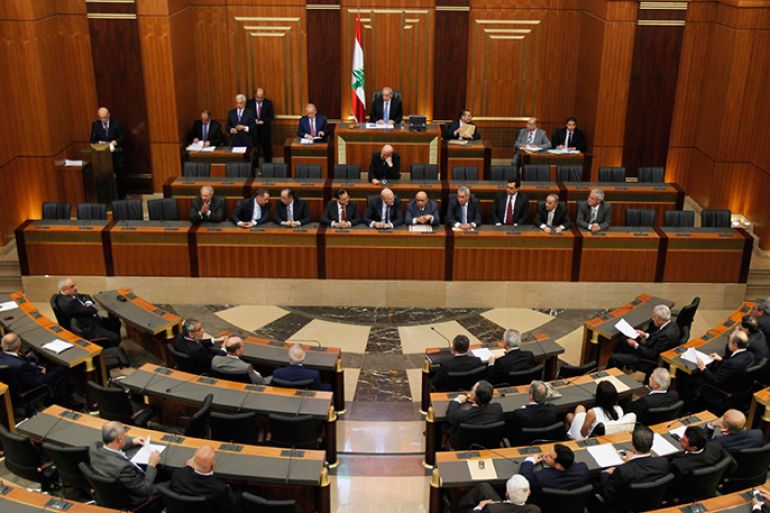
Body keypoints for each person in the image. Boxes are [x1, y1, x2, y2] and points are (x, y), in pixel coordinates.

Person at [597, 426, 670, 512]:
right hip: (649, 505)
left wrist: (605, 473)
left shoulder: (622, 471)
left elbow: (609, 495)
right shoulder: (663, 462)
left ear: (632, 443)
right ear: (652, 444)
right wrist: (631, 462)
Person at [89, 421, 160, 507]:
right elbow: (145, 490)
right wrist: (152, 465)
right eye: (124, 435)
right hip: (136, 496)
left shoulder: (94, 448)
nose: (126, 437)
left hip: (110, 493)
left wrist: (132, 442)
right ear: (119, 439)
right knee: (171, 482)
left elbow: (111, 447)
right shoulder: (123, 467)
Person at [0, 333, 75, 407]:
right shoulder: (21, 365)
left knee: (46, 365)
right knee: (61, 371)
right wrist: (41, 373)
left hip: (13, 385)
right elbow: (34, 381)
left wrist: (35, 367)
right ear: (18, 345)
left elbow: (21, 363)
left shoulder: (2, 355)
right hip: (27, 386)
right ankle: (65, 402)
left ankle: (58, 393)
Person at [607, 305, 681, 375]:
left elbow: (651, 354)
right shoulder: (672, 324)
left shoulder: (666, 336)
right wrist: (645, 335)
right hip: (649, 349)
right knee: (624, 342)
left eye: (654, 317)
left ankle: (611, 374)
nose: (652, 318)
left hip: (648, 359)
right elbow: (657, 338)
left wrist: (636, 345)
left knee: (614, 358)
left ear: (660, 319)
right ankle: (620, 368)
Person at [694, 330, 755, 412]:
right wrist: (722, 360)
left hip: (720, 392)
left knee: (690, 379)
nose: (728, 343)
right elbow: (736, 368)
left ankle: (691, 407)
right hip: (738, 392)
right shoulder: (750, 355)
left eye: (729, 341)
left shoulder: (732, 364)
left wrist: (703, 368)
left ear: (735, 345)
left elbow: (715, 380)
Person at [170, 445, 238, 513]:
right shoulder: (219, 488)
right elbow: (230, 508)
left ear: (192, 462)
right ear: (213, 464)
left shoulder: (178, 475)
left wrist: (188, 466)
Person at [54, 278, 122, 346]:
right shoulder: (69, 303)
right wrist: (89, 306)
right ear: (64, 289)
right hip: (90, 328)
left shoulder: (70, 294)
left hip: (93, 320)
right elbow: (92, 310)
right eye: (72, 287)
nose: (76, 288)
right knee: (115, 336)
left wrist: (88, 302)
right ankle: (112, 347)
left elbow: (85, 295)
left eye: (75, 285)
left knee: (115, 323)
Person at [518, 444, 591, 503]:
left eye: (550, 456)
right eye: (549, 452)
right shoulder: (583, 469)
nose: (545, 455)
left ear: (558, 466)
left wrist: (530, 460)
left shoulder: (542, 478)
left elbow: (524, 478)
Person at [446, 380, 504, 449]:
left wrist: (457, 400)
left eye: (472, 389)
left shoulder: (463, 415)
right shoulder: (497, 409)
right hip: (489, 446)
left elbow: (451, 415)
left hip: (464, 448)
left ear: (474, 396)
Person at [669, 425, 736, 484]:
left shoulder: (679, 465)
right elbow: (733, 464)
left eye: (684, 441)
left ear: (693, 448)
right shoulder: (716, 446)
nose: (680, 439)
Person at [89, 107, 127, 199]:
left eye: (105, 117)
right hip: (102, 156)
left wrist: (115, 142)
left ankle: (122, 197)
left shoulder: (116, 123)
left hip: (116, 155)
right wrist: (100, 143)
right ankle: (107, 197)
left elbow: (122, 137)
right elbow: (92, 140)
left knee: (119, 177)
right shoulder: (95, 125)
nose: (103, 120)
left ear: (109, 115)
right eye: (101, 118)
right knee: (104, 177)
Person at [453, 474, 540, 513]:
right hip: (502, 507)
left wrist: (479, 507)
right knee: (484, 487)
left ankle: (451, 509)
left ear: (507, 494)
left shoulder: (492, 510)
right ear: (529, 493)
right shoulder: (534, 510)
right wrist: (499, 504)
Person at [246, 87, 274, 162]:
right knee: (254, 149)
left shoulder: (268, 103)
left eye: (261, 98)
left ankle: (268, 164)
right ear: (255, 95)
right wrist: (253, 120)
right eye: (258, 98)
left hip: (265, 130)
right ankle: (255, 165)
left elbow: (271, 116)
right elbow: (247, 115)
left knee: (267, 148)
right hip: (253, 129)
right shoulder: (249, 103)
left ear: (264, 96)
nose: (259, 100)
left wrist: (263, 121)